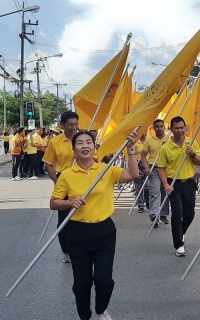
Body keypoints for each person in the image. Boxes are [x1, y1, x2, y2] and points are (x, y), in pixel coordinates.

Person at [50, 130, 138, 320]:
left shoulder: (106, 170)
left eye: (88, 142)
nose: (84, 146)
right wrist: (69, 202)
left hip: (104, 232)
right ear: (74, 150)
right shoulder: (66, 175)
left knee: (103, 280)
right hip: (77, 233)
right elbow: (54, 203)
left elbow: (133, 174)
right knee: (81, 283)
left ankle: (100, 309)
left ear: (94, 147)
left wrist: (130, 149)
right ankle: (84, 315)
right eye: (79, 143)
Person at [158, 116, 200, 256]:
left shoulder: (192, 142)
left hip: (189, 183)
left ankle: (180, 232)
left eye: (182, 127)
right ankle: (179, 245)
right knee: (177, 213)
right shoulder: (165, 147)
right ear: (171, 129)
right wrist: (166, 184)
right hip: (174, 184)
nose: (179, 130)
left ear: (185, 128)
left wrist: (192, 154)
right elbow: (162, 168)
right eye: (176, 128)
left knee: (190, 214)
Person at [43, 111, 79, 263]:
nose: (73, 128)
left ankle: (83, 248)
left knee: (83, 216)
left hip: (82, 180)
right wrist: (57, 182)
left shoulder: (82, 139)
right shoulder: (55, 142)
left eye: (76, 124)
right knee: (64, 219)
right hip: (64, 180)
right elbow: (48, 164)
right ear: (62, 125)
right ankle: (67, 251)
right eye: (70, 125)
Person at [141, 119, 170, 227]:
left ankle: (163, 215)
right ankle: (154, 215)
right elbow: (143, 155)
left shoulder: (169, 139)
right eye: (157, 126)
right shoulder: (149, 140)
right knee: (155, 192)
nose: (159, 128)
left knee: (165, 192)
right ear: (153, 128)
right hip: (154, 168)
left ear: (164, 127)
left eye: (161, 126)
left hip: (167, 169)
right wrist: (146, 168)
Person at [134, 132, 149, 213]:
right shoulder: (136, 143)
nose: (144, 133)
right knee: (138, 186)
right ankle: (140, 205)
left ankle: (147, 200)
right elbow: (132, 154)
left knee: (147, 186)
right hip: (138, 164)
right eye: (142, 131)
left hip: (147, 164)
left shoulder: (149, 141)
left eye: (145, 131)